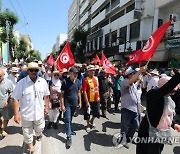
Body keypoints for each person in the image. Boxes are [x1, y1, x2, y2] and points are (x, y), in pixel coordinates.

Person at [136, 72, 180, 154]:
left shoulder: (168, 98)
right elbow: (166, 88)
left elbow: (165, 115)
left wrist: (174, 125)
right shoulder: (153, 94)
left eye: (174, 92)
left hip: (160, 133)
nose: (173, 94)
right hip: (149, 131)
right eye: (172, 91)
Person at [12, 62, 50, 153]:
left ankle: (38, 135)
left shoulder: (43, 82)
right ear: (28, 71)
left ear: (38, 71)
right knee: (27, 132)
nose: (33, 72)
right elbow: (15, 99)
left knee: (40, 128)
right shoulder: (21, 83)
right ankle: (30, 145)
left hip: (39, 113)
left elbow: (46, 96)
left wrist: (47, 107)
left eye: (35, 70)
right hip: (26, 114)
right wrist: (16, 114)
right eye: (31, 70)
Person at [119, 66, 147, 149]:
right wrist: (140, 71)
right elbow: (132, 81)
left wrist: (141, 73)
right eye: (134, 74)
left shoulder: (134, 84)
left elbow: (138, 81)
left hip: (135, 109)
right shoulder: (125, 82)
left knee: (136, 124)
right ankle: (123, 140)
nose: (136, 75)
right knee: (124, 126)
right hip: (127, 109)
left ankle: (129, 138)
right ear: (129, 75)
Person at [60, 67, 82, 148]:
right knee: (67, 119)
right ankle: (69, 137)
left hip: (74, 104)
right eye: (74, 73)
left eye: (76, 73)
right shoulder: (65, 82)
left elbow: (79, 92)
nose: (76, 74)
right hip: (67, 104)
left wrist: (80, 102)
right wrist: (62, 105)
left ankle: (69, 130)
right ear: (70, 73)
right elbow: (62, 95)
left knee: (70, 118)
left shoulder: (78, 81)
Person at [82, 65, 100, 133]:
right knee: (87, 113)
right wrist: (87, 102)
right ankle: (87, 125)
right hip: (89, 100)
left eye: (94, 70)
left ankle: (92, 121)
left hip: (96, 100)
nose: (93, 71)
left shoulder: (96, 78)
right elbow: (84, 92)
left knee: (97, 112)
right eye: (91, 70)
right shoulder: (86, 80)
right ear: (88, 72)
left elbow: (97, 89)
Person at [0, 68, 14, 137]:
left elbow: (11, 93)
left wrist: (8, 101)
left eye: (0, 77)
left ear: (4, 75)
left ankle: (4, 129)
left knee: (6, 117)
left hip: (5, 105)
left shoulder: (8, 82)